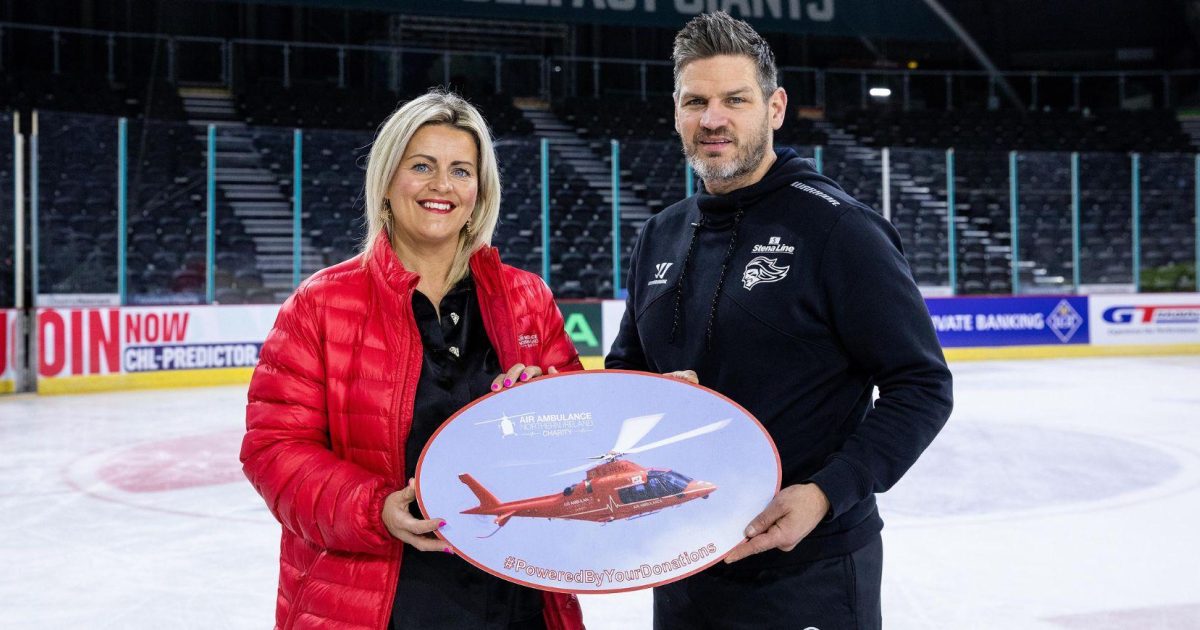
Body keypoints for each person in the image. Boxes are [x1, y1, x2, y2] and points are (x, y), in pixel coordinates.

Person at [606, 12, 953, 629]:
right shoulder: (660, 233)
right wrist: (653, 398)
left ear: (775, 107)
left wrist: (825, 493)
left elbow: (922, 385)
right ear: (677, 112)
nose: (713, 119)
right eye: (696, 102)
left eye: (735, 100)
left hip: (808, 569)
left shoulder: (839, 230)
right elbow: (626, 367)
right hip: (682, 561)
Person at [241, 89, 585, 630]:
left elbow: (580, 436)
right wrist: (373, 509)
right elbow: (273, 450)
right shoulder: (320, 304)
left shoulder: (527, 298)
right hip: (379, 603)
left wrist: (545, 407)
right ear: (386, 182)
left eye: (460, 171)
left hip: (513, 599)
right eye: (421, 166)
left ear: (479, 190)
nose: (441, 185)